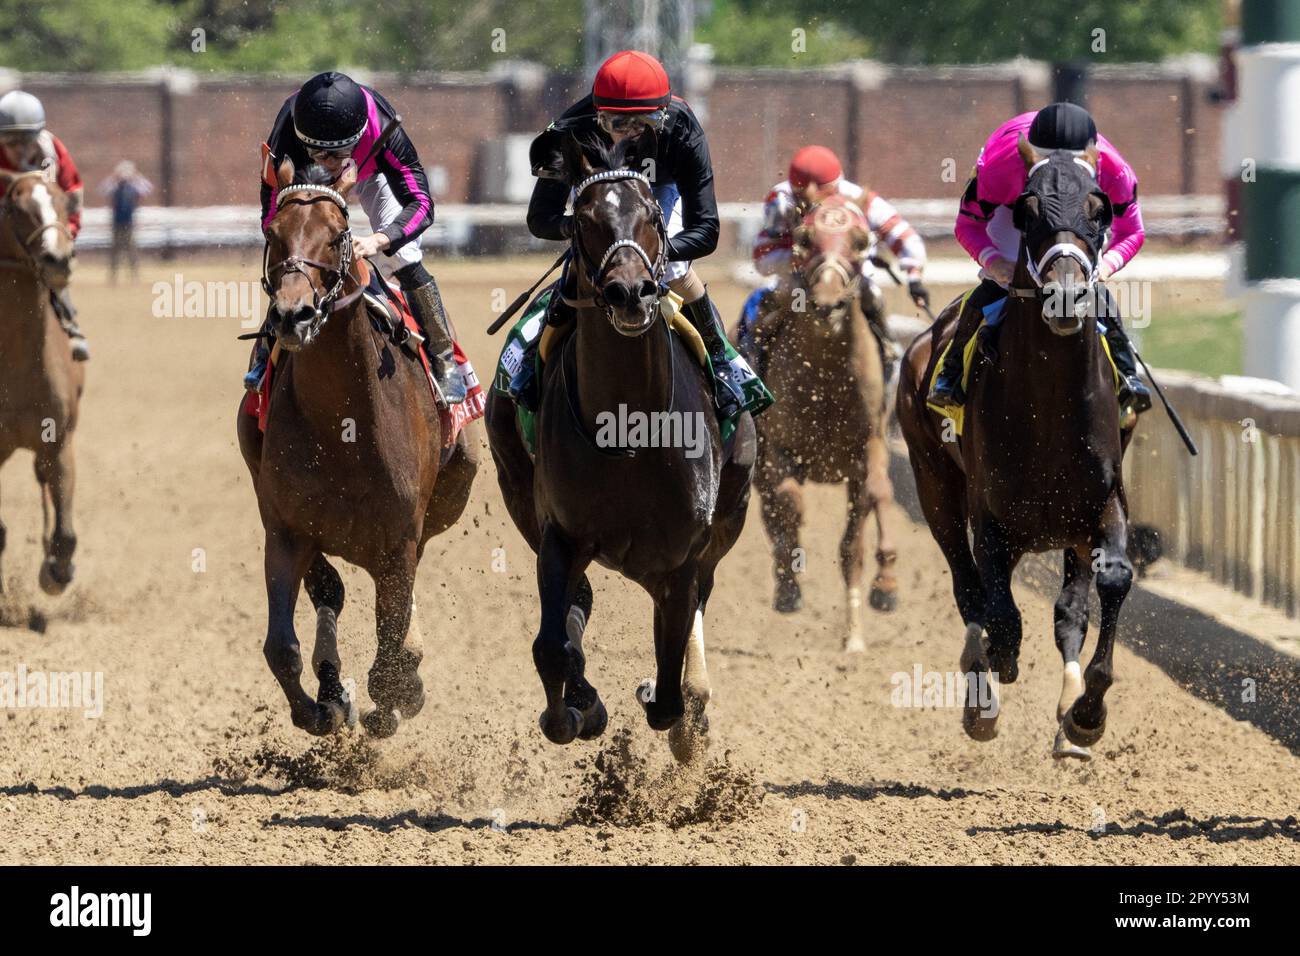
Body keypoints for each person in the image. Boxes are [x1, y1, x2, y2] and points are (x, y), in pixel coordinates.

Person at [515, 49, 746, 418]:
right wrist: (577, 229)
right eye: (614, 124)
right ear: (596, 115)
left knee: (671, 269)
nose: (628, 135)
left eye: (642, 124)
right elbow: (540, 217)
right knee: (588, 263)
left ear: (663, 115)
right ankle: (531, 360)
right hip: (599, 191)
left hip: (659, 190)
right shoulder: (571, 128)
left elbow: (706, 230)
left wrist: (649, 252)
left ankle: (719, 357)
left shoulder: (683, 128)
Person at [249, 71, 465, 403]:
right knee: (293, 252)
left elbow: (421, 203)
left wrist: (382, 239)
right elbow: (269, 198)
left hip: (370, 175)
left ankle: (443, 357)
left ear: (360, 135)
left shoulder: (383, 125)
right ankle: (267, 346)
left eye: (338, 153)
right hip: (307, 183)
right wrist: (282, 238)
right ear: (302, 139)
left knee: (404, 257)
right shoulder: (287, 131)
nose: (330, 163)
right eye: (319, 152)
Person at [928, 102, 1151, 412]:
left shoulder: (1113, 170)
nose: (1059, 177)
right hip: (1016, 205)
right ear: (1030, 156)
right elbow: (967, 224)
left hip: (1076, 212)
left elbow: (1132, 232)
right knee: (999, 283)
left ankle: (1128, 373)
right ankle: (951, 371)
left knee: (1088, 287)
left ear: (1092, 158)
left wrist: (1105, 267)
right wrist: (993, 261)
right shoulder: (1000, 167)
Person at [742, 144, 929, 361]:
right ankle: (754, 357)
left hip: (852, 280)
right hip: (798, 280)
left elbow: (903, 236)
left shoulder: (859, 199)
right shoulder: (782, 201)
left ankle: (886, 346)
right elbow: (762, 258)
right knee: (780, 299)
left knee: (871, 296)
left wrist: (913, 274)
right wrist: (797, 259)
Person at [0, 90, 89, 361]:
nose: (20, 149)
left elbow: (71, 196)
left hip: (38, 235)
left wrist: (66, 235)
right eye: (11, 142)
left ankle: (69, 322)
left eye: (27, 140)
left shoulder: (53, 152)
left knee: (56, 265)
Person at [99, 160, 152, 284]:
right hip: (116, 222)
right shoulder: (115, 186)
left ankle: (134, 276)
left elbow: (147, 188)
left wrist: (136, 176)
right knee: (115, 250)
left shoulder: (132, 187)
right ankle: (113, 276)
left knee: (131, 250)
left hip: (129, 223)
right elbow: (103, 189)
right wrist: (114, 177)